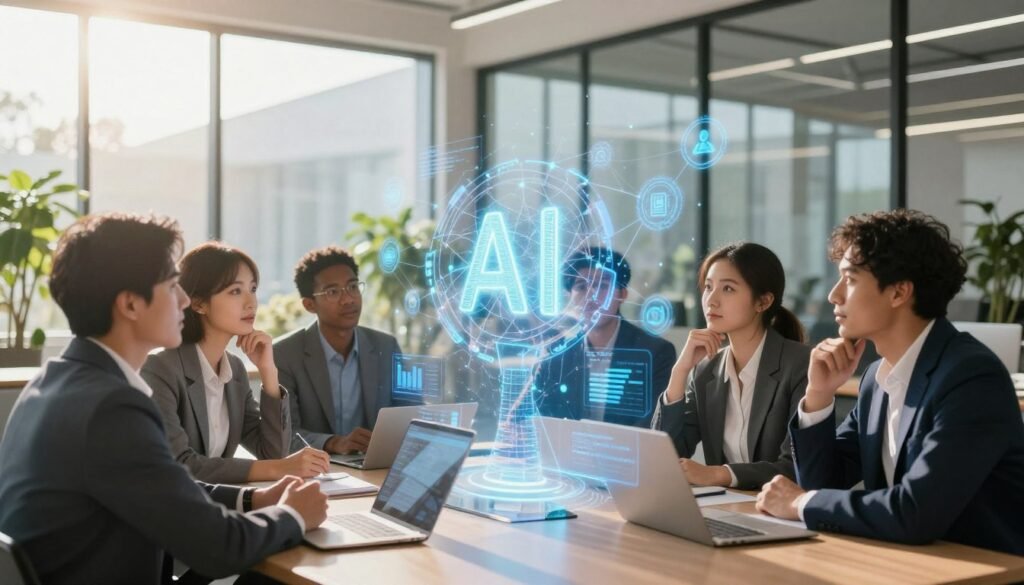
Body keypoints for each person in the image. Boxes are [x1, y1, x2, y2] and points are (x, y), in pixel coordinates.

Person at [0, 213, 327, 584]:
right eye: (173, 285)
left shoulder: (54, 382)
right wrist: (293, 515)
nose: (186, 300)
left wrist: (253, 500)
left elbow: (163, 485)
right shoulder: (112, 408)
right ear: (130, 305)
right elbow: (218, 547)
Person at [756, 209, 1024, 556]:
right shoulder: (875, 380)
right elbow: (822, 482)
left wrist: (799, 503)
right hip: (909, 563)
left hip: (982, 572)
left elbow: (915, 513)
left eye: (850, 279)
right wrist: (819, 395)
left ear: (899, 292)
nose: (834, 296)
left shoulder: (970, 378)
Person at [143, 242, 330, 483]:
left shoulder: (235, 370)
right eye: (235, 291)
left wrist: (268, 373)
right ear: (198, 303)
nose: (251, 302)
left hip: (217, 504)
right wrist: (278, 468)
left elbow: (271, 452)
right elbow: (179, 464)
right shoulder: (160, 368)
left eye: (253, 288)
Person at [651, 242, 811, 489]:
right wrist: (679, 373)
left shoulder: (800, 364)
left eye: (727, 289)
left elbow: (796, 466)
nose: (711, 301)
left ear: (763, 302)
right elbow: (666, 456)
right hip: (728, 509)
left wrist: (717, 474)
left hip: (783, 512)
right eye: (708, 287)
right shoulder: (706, 370)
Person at [273, 246, 402, 455]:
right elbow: (281, 435)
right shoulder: (284, 354)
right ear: (309, 305)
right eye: (333, 292)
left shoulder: (386, 347)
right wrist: (333, 443)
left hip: (373, 466)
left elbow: (411, 414)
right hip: (314, 472)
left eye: (353, 287)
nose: (348, 299)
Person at [535, 248, 676, 428]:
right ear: (570, 296)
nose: (591, 295)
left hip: (629, 453)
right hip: (570, 454)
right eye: (581, 286)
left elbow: (656, 423)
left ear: (622, 294)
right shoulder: (556, 357)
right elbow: (540, 420)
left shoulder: (655, 353)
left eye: (602, 285)